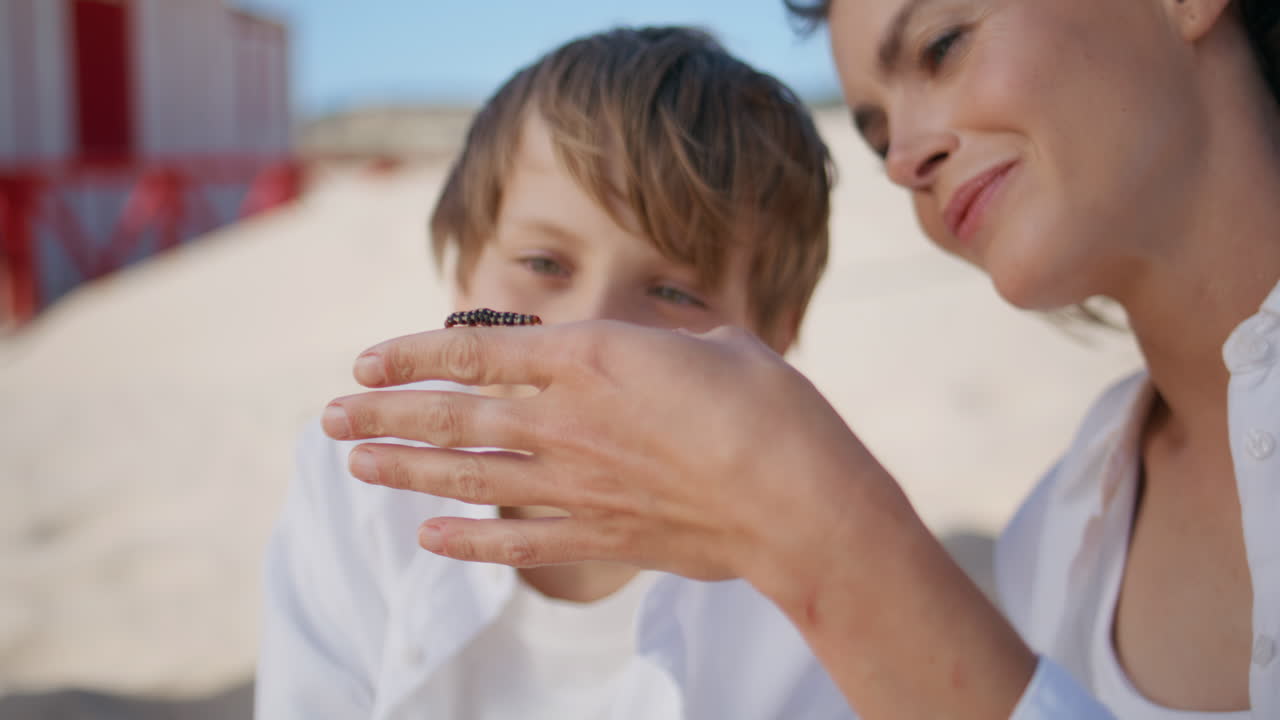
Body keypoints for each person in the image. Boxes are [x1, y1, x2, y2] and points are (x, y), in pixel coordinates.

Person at [321, 0, 1280, 717]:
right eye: (873, 133)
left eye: (945, 44)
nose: (905, 153)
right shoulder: (1058, 538)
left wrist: (837, 538)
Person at [256, 26, 857, 720]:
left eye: (674, 292)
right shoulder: (359, 489)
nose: (590, 336)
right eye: (544, 264)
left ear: (770, 348)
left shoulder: (815, 556)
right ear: (462, 274)